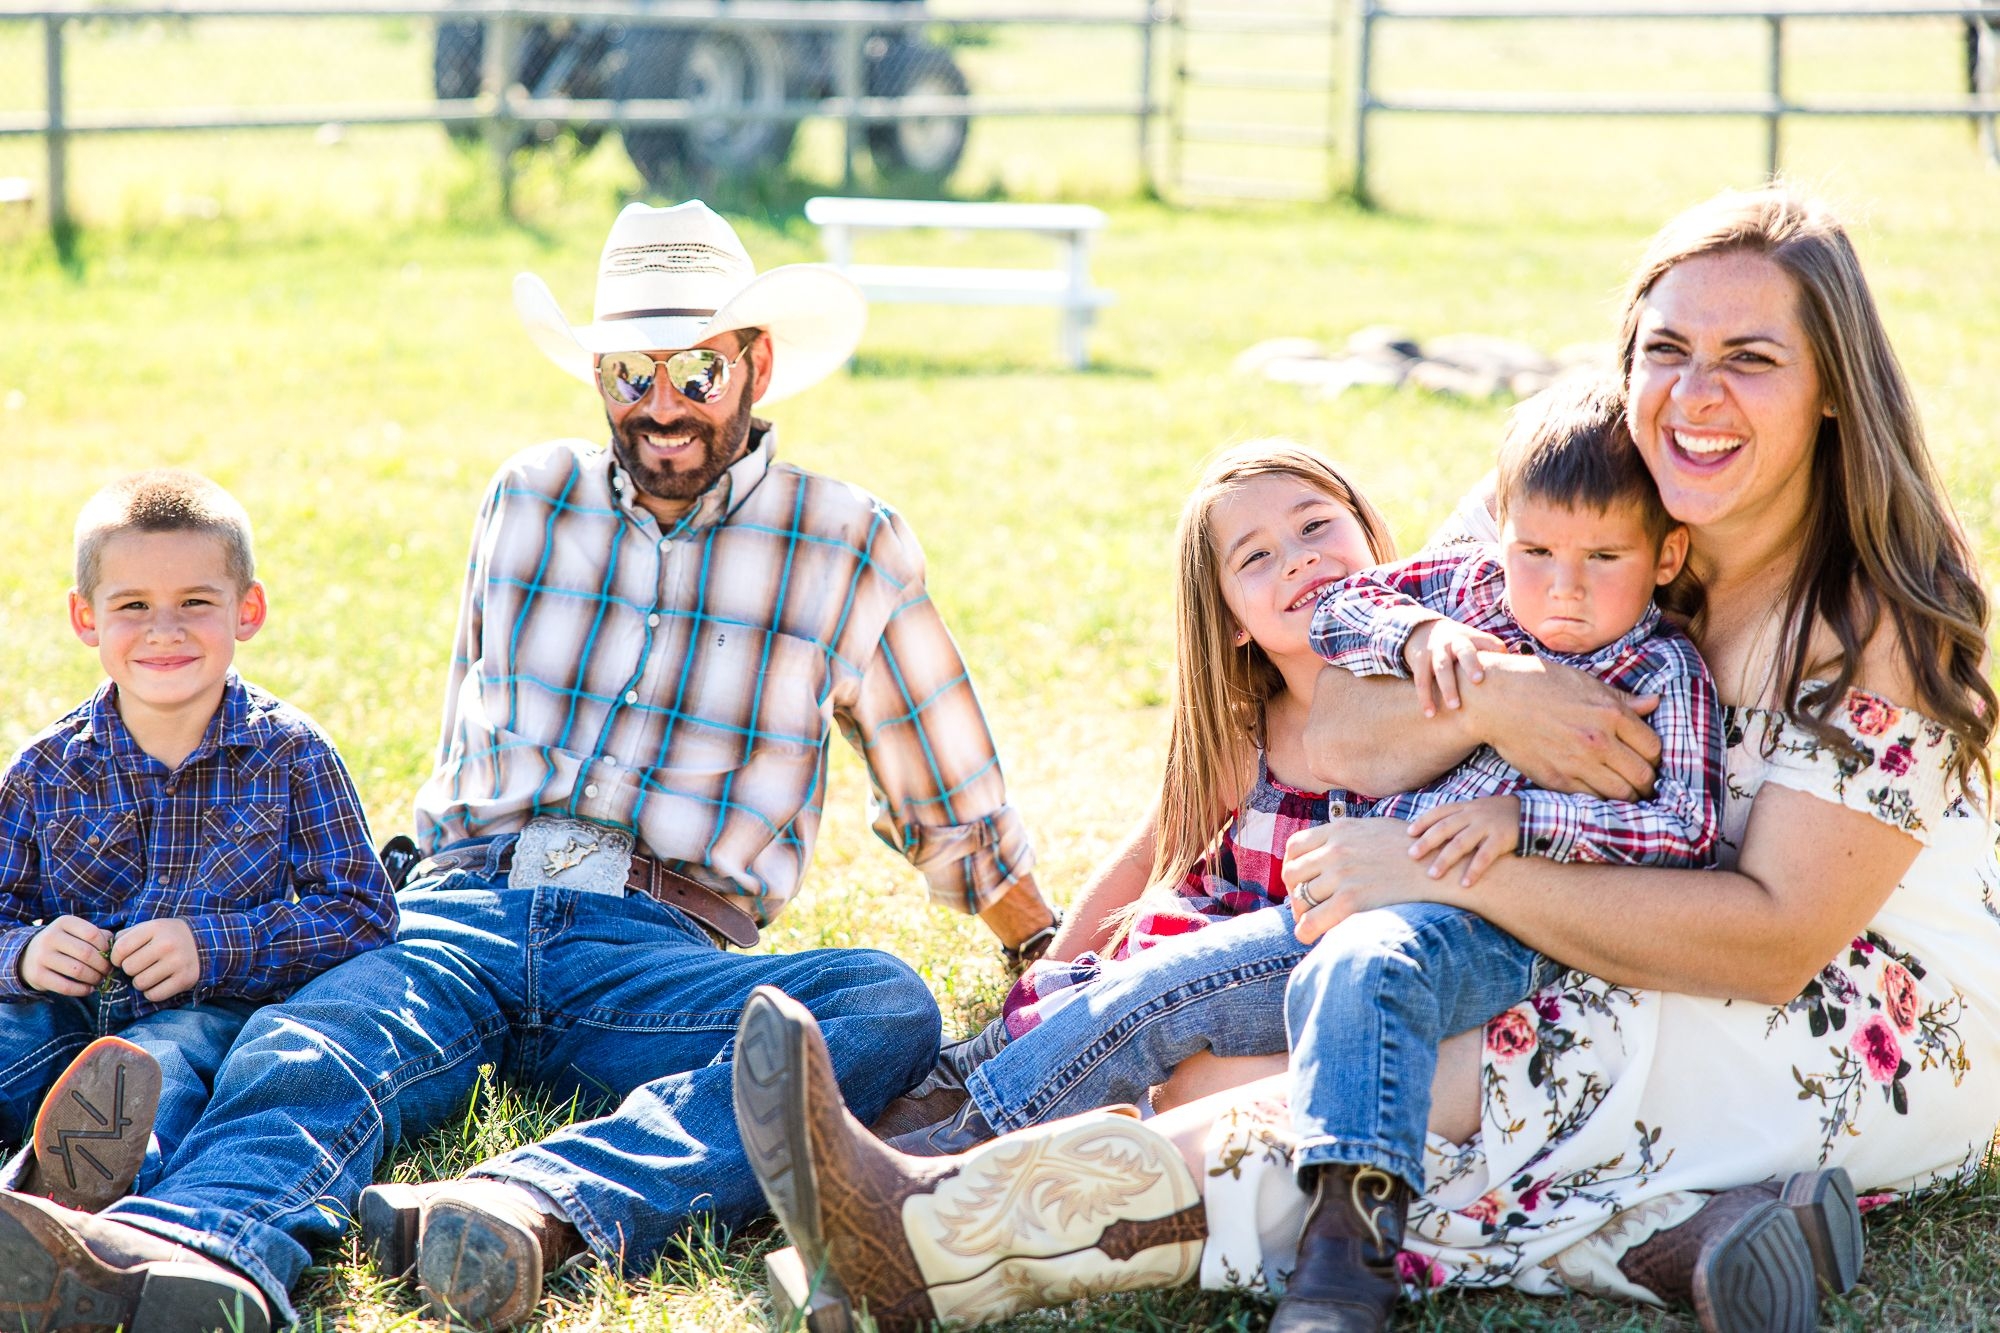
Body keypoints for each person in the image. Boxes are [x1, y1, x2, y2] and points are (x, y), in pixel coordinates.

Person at [733, 183, 1999, 1333]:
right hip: (1600, 925)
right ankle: (1662, 1238)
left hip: (1837, 1009)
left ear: (1832, 388)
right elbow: (1324, 712)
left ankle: (947, 1227)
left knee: (1423, 1073)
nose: (1694, 393)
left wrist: (1446, 866)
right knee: (1320, 1036)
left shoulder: (1862, 620)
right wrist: (1499, 693)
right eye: (1665, 349)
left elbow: (1774, 936)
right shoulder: (1579, 486)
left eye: (1749, 358)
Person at [0, 200, 1058, 1333]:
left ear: (757, 365)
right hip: (464, 899)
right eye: (627, 372)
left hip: (659, 949)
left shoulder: (848, 540)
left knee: (874, 1004)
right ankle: (197, 1246)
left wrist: (1042, 950)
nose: (661, 405)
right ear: (596, 374)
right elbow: (469, 722)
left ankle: (529, 1202)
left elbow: (946, 792)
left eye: (697, 369)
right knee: (308, 1040)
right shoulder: (522, 498)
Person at [889, 377, 1724, 1186]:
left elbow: (1682, 830)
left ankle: (952, 1155)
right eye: (1258, 557)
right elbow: (1156, 845)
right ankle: (942, 1117)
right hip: (1321, 938)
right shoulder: (1457, 618)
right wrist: (1420, 633)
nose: (1300, 561)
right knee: (1132, 1003)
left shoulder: (1614, 662)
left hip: (1407, 942)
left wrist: (1523, 814)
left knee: (1168, 1019)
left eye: (1317, 526)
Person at [0, 470, 395, 1324]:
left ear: (247, 610)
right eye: (133, 605)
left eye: (195, 602)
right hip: (57, 1009)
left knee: (164, 1064)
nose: (165, 630)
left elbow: (363, 910)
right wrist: (25, 952)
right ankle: (35, 1191)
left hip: (206, 1010)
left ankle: (56, 1198)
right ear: (85, 618)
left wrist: (215, 946)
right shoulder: (44, 768)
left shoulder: (290, 754)